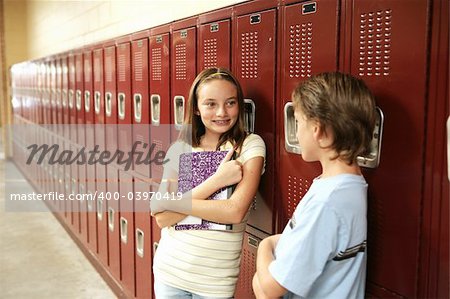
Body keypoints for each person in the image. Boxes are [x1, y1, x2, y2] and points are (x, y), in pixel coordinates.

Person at [252, 72, 376, 299]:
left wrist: (264, 245)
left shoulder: (327, 202)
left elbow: (270, 289)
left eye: (298, 122)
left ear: (318, 131)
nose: (295, 131)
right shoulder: (352, 186)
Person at [151, 67, 266, 298]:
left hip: (215, 282)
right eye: (211, 104)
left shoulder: (249, 146)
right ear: (196, 107)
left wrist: (173, 203)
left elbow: (234, 211)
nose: (222, 112)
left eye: (230, 103)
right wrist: (217, 181)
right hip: (170, 272)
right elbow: (161, 218)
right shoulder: (180, 148)